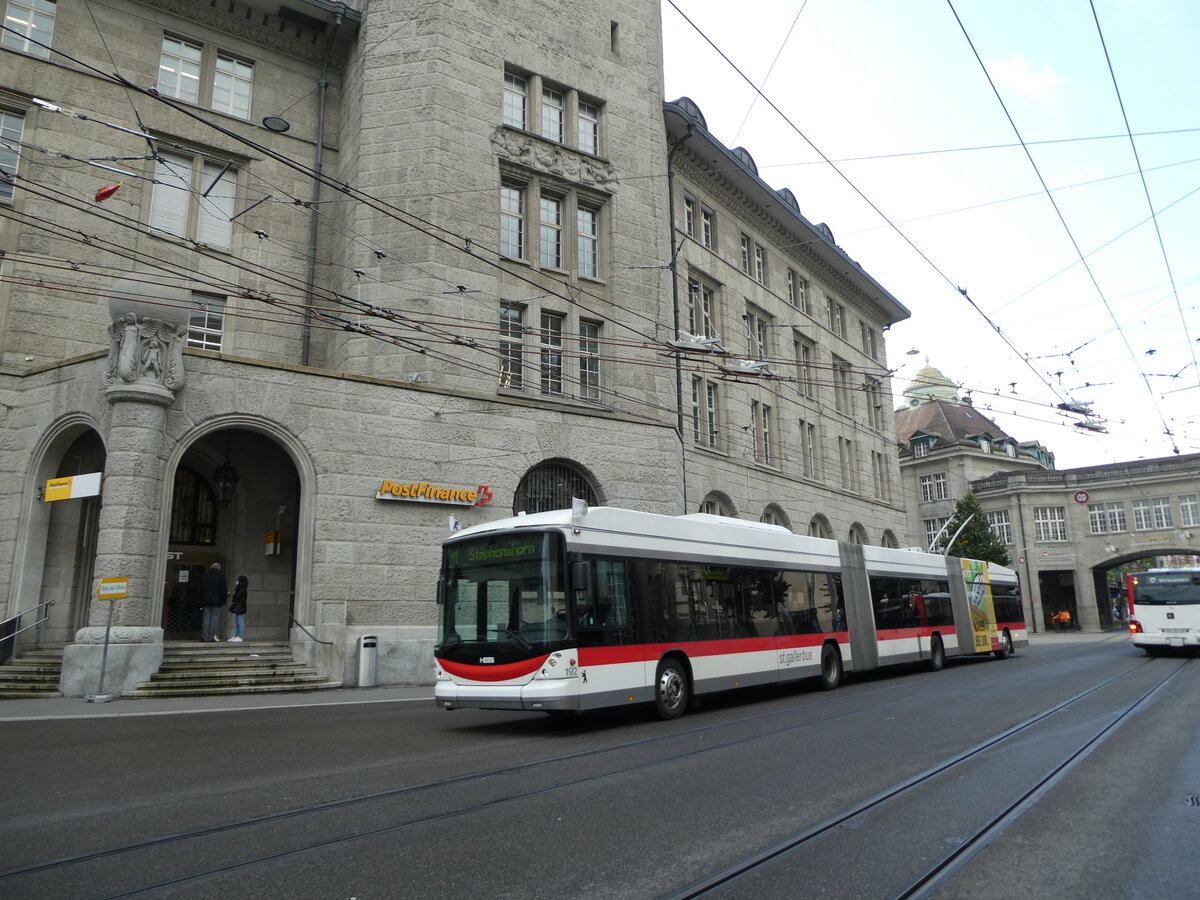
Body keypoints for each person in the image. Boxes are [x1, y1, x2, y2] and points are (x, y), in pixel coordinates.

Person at [198, 562, 228, 642]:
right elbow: (223, 590)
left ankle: (205, 637)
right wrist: (224, 600)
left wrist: (200, 601)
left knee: (206, 618)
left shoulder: (206, 576)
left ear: (211, 567)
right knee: (214, 618)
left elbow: (201, 590)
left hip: (206, 601)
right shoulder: (221, 577)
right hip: (217, 601)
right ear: (219, 568)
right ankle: (211, 637)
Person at [229, 575, 248, 642]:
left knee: (240, 622)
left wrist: (236, 589)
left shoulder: (242, 588)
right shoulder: (241, 588)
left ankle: (239, 636)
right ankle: (236, 635)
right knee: (237, 622)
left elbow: (236, 597)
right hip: (239, 606)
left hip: (240, 607)